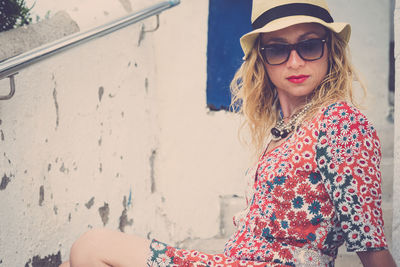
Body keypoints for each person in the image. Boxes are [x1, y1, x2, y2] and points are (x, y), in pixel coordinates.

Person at [60, 0, 397, 266]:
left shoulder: (341, 122)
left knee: (92, 246)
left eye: (309, 46)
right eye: (278, 49)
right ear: (262, 60)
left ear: (330, 51)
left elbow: (370, 242)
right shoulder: (284, 131)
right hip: (237, 260)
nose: (294, 62)